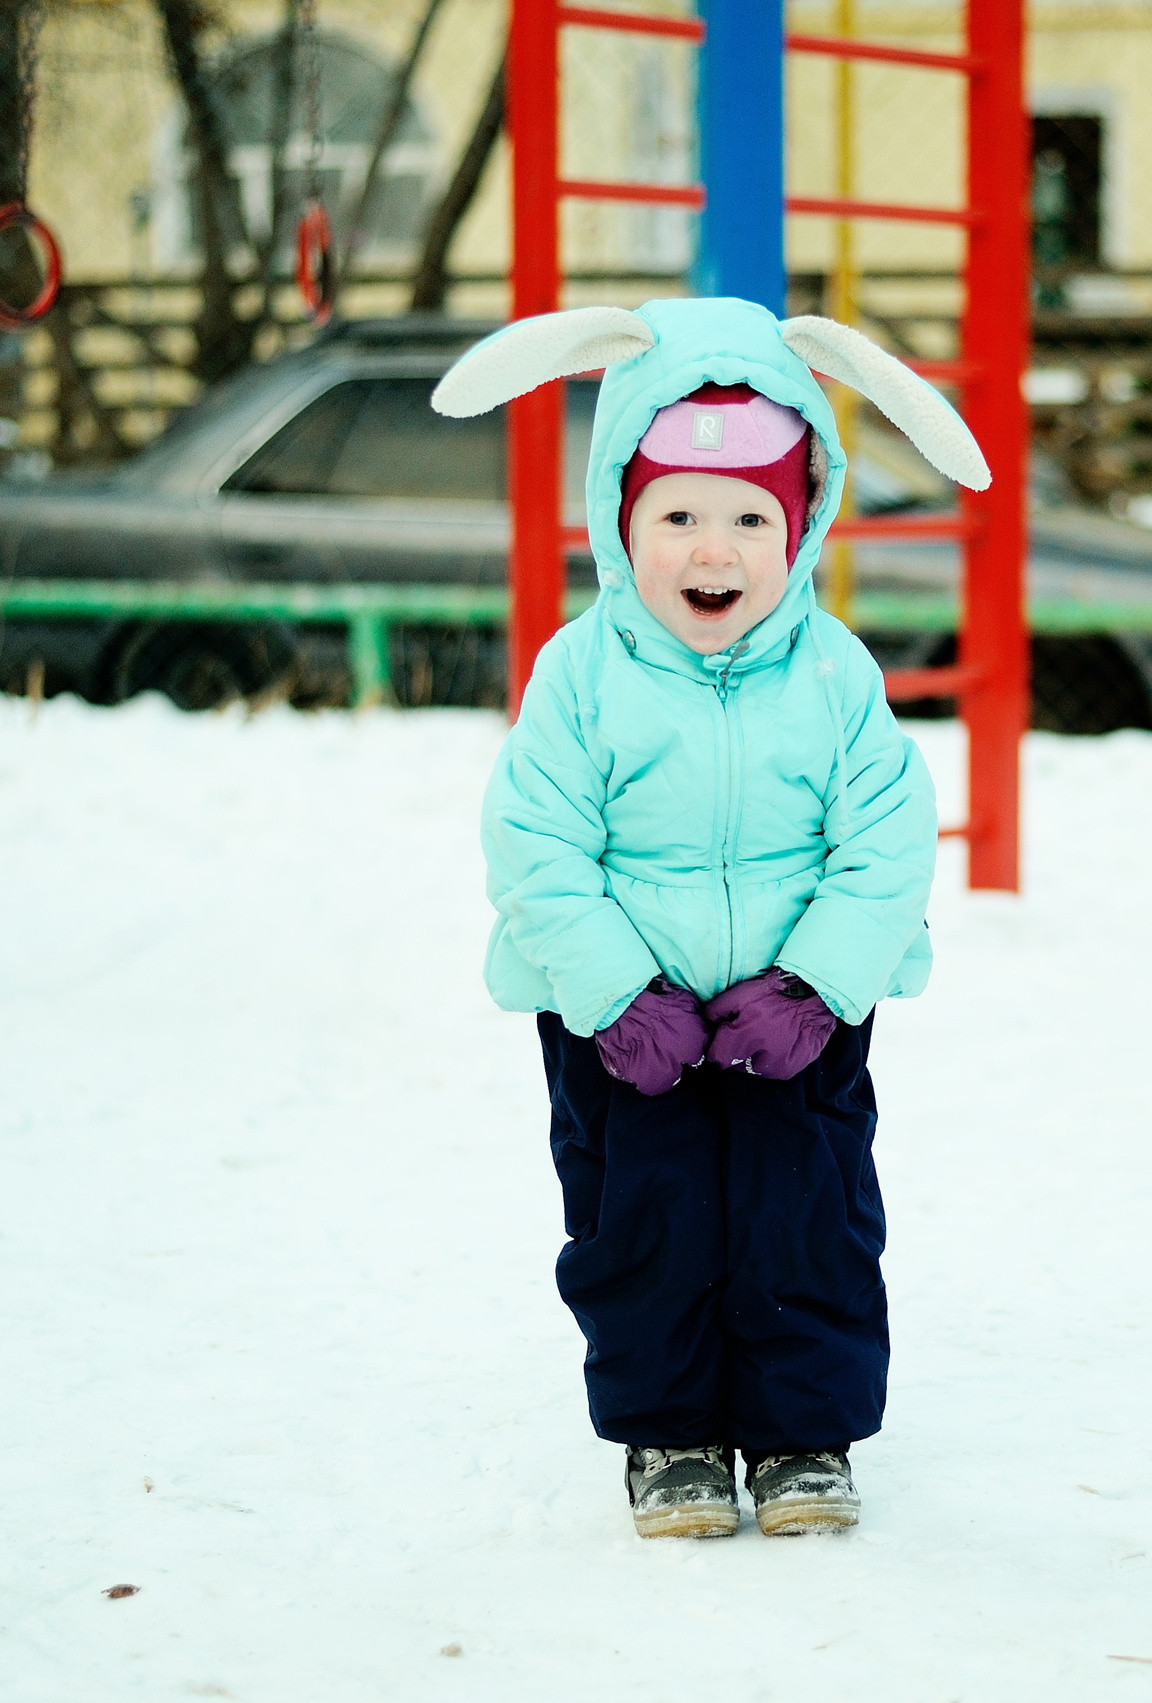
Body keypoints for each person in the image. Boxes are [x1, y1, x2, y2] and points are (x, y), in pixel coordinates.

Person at [433, 298, 991, 1538]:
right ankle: (670, 1431)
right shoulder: (582, 674)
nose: (713, 550)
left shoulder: (834, 673)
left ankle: (802, 1434)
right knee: (645, 1221)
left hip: (794, 1022)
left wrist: (817, 984)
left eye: (749, 518)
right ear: (619, 517)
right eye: (678, 515)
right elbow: (535, 837)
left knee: (808, 1219)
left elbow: (887, 833)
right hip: (623, 1028)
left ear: (801, 528)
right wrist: (612, 991)